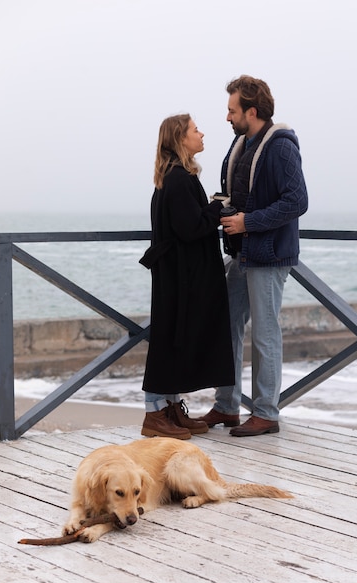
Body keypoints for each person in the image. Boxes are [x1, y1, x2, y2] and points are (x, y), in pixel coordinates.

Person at [197, 75, 308, 437]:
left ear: (252, 111)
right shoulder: (241, 144)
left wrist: (248, 222)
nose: (227, 117)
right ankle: (227, 406)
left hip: (269, 255)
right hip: (241, 254)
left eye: (232, 110)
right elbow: (240, 194)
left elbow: (296, 201)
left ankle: (265, 413)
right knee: (225, 327)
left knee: (264, 334)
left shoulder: (281, 147)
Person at [139, 113, 235, 439]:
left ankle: (170, 408)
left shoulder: (175, 175)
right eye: (195, 130)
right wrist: (217, 208)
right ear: (181, 138)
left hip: (176, 274)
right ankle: (155, 414)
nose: (202, 134)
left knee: (174, 339)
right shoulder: (178, 178)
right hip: (178, 276)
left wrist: (209, 209)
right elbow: (190, 227)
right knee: (169, 339)